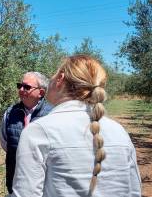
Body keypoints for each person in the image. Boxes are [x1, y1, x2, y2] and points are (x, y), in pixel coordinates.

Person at [12, 55, 142, 197]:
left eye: (53, 75)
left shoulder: (38, 131)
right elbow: (134, 191)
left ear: (60, 79)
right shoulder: (119, 131)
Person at [0, 72, 53, 194]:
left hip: (43, 184)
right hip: (15, 180)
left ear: (41, 93)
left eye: (27, 87)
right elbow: (5, 142)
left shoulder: (52, 115)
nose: (21, 89)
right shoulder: (10, 113)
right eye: (20, 85)